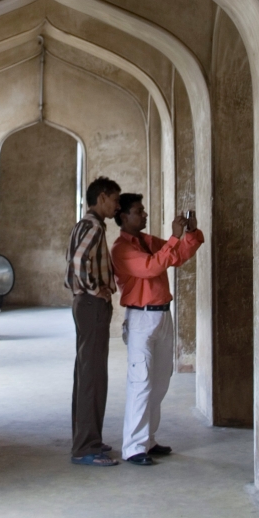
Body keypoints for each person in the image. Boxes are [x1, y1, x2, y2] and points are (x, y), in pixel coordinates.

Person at [111, 194, 204, 465]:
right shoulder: (121, 248)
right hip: (141, 319)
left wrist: (190, 232)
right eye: (139, 211)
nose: (144, 215)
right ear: (124, 216)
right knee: (140, 382)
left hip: (162, 315)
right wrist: (174, 238)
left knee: (160, 381)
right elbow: (152, 267)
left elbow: (177, 257)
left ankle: (148, 440)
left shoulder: (147, 241)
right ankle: (133, 447)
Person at [65, 176, 122, 466]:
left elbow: (71, 261)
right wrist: (94, 288)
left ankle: (89, 439)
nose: (116, 206)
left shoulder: (84, 224)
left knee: (89, 375)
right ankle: (85, 447)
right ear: (101, 197)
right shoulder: (94, 226)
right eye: (114, 199)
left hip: (85, 304)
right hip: (91, 306)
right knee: (92, 377)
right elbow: (77, 261)